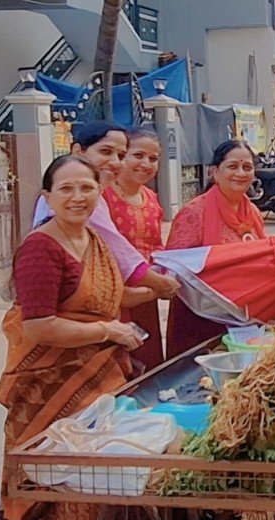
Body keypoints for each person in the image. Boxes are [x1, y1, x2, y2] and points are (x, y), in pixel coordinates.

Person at [0, 155, 146, 520]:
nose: (78, 197)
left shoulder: (95, 241)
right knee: (61, 509)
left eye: (87, 187)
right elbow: (39, 326)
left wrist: (172, 285)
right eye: (66, 189)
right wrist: (107, 330)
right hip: (48, 395)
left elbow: (111, 294)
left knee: (105, 501)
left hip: (98, 388)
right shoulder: (40, 249)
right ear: (47, 197)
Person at [33, 122, 178, 324]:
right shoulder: (83, 199)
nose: (115, 162)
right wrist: (160, 284)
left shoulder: (137, 196)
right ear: (78, 150)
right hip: (75, 305)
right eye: (106, 151)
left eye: (120, 155)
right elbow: (116, 249)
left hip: (109, 293)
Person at [164, 139, 267, 358]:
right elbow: (172, 267)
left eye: (247, 167)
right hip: (200, 317)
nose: (240, 173)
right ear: (214, 172)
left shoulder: (254, 213)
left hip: (244, 318)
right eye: (232, 166)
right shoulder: (195, 212)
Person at [103, 128, 165, 370]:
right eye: (138, 155)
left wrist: (160, 277)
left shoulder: (152, 198)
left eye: (153, 158)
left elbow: (157, 245)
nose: (146, 164)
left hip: (147, 294)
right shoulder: (103, 197)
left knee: (148, 362)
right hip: (112, 296)